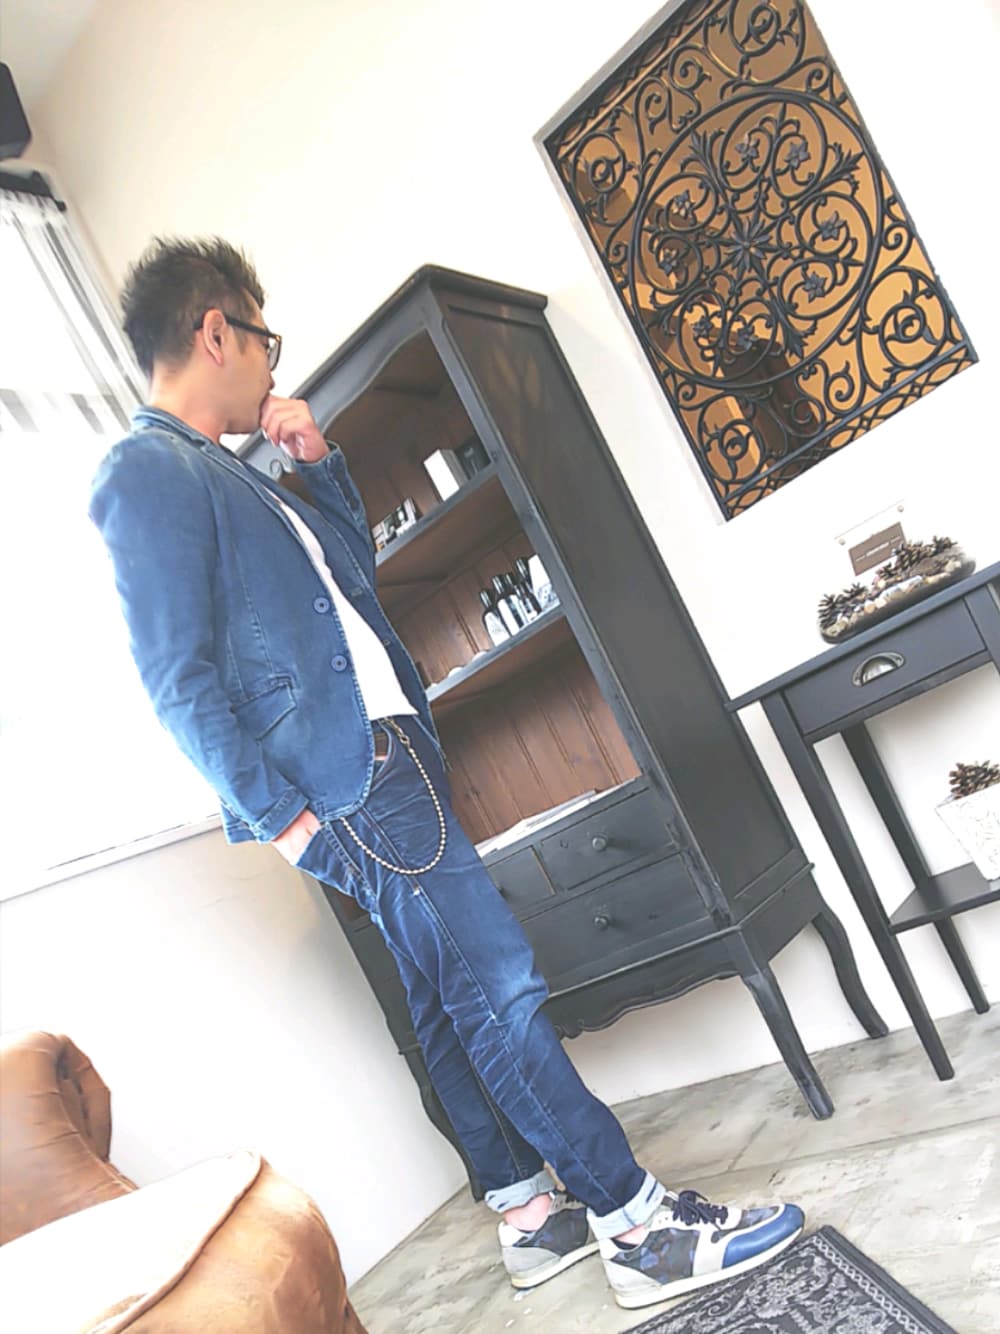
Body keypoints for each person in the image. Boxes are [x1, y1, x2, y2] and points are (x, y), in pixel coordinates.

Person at [89, 237, 804, 1312]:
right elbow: (176, 680)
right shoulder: (147, 470)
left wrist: (318, 462)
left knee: (443, 995)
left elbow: (350, 580)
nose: (273, 364)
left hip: (384, 762)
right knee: (498, 985)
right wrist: (285, 820)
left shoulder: (233, 470)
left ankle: (528, 1212)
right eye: (265, 340)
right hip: (351, 781)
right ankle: (637, 1226)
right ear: (216, 332)